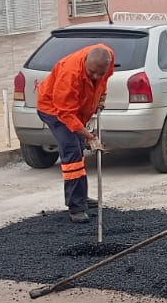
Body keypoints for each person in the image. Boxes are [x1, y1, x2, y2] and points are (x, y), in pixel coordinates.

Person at [36, 45, 114, 223]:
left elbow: (103, 81)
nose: (96, 76)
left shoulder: (107, 56)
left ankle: (81, 196)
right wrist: (89, 136)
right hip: (53, 109)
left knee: (78, 149)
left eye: (100, 73)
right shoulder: (69, 73)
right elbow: (65, 113)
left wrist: (100, 97)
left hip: (75, 109)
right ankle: (76, 207)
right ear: (86, 62)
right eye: (92, 72)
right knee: (72, 151)